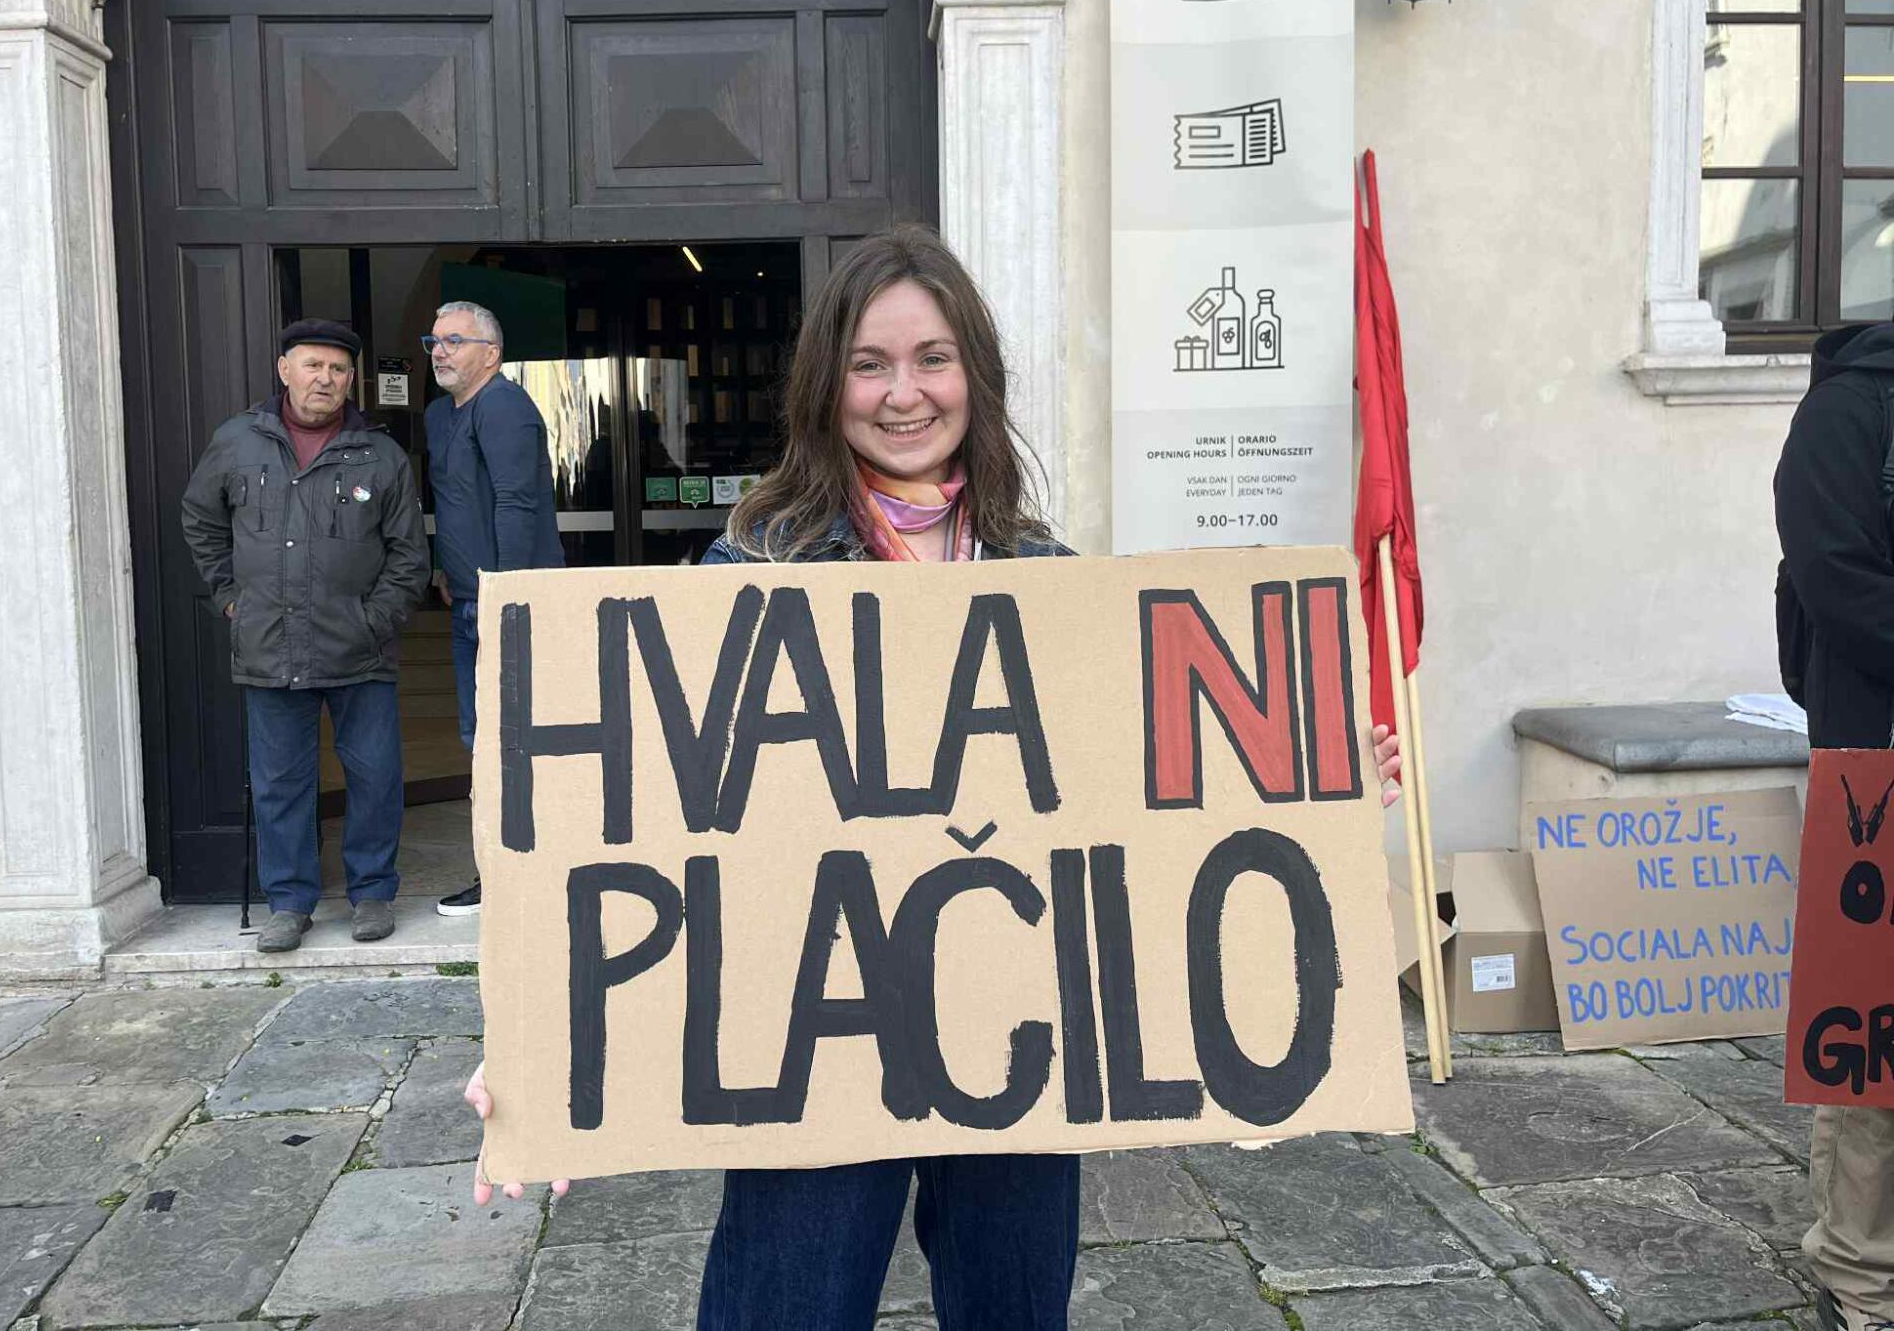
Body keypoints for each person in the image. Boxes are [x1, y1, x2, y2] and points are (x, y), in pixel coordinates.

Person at [459, 226, 1404, 1328]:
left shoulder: (1043, 574)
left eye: (932, 358)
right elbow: (631, 821)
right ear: (827, 385)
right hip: (813, 1032)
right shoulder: (751, 565)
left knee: (1011, 1310)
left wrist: (1305, 786)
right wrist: (542, 1025)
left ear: (975, 377)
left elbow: (1134, 796)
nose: (902, 394)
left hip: (1018, 1029)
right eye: (869, 364)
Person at [181, 318, 429, 953]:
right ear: (285, 369)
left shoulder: (381, 453)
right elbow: (201, 519)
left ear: (352, 380)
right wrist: (232, 597)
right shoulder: (238, 442)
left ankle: (372, 893)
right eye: (313, 365)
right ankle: (289, 903)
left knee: (375, 775)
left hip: (360, 647)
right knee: (280, 780)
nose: (327, 378)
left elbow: (409, 556)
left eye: (339, 369)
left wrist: (375, 619)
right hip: (270, 643)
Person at [1774, 321, 1894, 1331]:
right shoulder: (1850, 410)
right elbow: (1832, 575)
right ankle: (1859, 1275)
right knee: (1873, 1032)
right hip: (1877, 765)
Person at [423, 300, 566, 918]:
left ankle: (531, 873)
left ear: (492, 354)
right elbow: (452, 502)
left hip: (512, 606)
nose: (440, 350)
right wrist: (443, 568)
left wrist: (505, 595)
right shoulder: (437, 415)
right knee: (482, 741)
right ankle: (503, 873)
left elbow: (516, 504)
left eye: (455, 340)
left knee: (517, 741)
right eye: (434, 339)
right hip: (470, 602)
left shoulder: (504, 406)